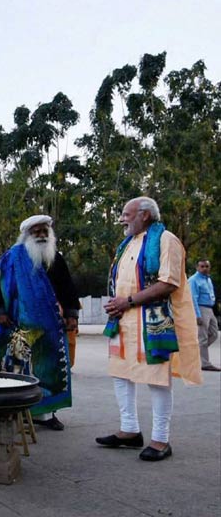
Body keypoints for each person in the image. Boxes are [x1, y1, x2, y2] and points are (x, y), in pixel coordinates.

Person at [97, 197, 202, 461]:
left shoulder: (166, 240)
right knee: (120, 373)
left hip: (153, 321)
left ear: (144, 215)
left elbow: (169, 283)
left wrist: (127, 301)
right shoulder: (128, 243)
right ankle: (130, 430)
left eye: (126, 214)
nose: (122, 218)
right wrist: (117, 303)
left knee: (157, 378)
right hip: (123, 321)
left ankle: (161, 440)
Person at [0, 215, 81, 431]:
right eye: (36, 232)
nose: (41, 235)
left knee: (48, 370)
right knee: (15, 368)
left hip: (49, 326)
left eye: (44, 231)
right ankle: (14, 411)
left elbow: (67, 287)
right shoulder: (12, 258)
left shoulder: (55, 258)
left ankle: (47, 415)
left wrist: (71, 314)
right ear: (27, 235)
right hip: (16, 323)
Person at [189, 259, 219, 371]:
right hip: (200, 308)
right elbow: (193, 298)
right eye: (202, 266)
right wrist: (197, 315)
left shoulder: (208, 279)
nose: (205, 268)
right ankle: (204, 363)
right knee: (202, 337)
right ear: (197, 267)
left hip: (209, 309)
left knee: (214, 333)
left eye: (207, 266)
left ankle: (196, 354)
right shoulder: (193, 280)